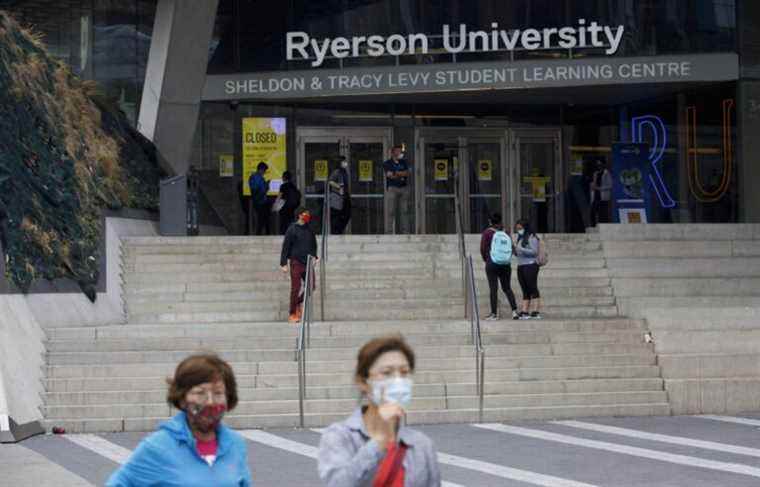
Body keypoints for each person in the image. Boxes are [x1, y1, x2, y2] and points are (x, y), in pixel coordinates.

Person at [106, 354, 252, 486]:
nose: (210, 402)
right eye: (200, 393)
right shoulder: (158, 447)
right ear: (182, 399)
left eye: (218, 393)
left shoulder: (235, 445)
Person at [318, 335, 441, 487]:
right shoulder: (340, 436)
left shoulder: (421, 445)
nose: (398, 381)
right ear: (363, 382)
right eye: (387, 373)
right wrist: (380, 441)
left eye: (404, 372)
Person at [280, 207, 318, 323]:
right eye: (305, 214)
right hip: (296, 262)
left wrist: (315, 256)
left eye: (308, 214)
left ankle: (297, 303)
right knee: (295, 288)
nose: (307, 216)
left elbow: (313, 244)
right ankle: (292, 313)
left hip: (308, 262)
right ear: (300, 215)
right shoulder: (292, 229)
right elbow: (286, 246)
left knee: (311, 286)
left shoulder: (309, 229)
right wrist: (283, 263)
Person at [480, 213, 519, 321]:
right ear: (500, 221)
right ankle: (515, 311)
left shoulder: (487, 233)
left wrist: (486, 259)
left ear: (490, 222)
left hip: (492, 263)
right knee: (507, 288)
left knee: (493, 289)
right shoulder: (505, 232)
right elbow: (512, 248)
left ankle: (494, 314)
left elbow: (483, 248)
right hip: (505, 264)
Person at [513, 219, 542, 320]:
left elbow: (534, 252)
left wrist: (520, 249)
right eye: (517, 229)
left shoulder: (532, 237)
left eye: (520, 228)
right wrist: (515, 250)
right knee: (524, 288)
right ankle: (525, 311)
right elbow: (519, 253)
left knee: (532, 287)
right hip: (521, 265)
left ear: (525, 228)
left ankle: (536, 311)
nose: (518, 230)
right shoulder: (520, 238)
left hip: (531, 265)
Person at [383, 145, 410, 234]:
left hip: (404, 188)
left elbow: (407, 173)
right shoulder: (387, 163)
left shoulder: (404, 162)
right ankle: (389, 232)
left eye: (400, 151)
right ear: (393, 152)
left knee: (404, 211)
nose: (400, 153)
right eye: (398, 151)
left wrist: (396, 173)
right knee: (391, 211)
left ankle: (405, 232)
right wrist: (400, 173)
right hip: (392, 188)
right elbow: (389, 175)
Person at [329, 157, 351, 235]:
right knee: (336, 215)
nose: (345, 163)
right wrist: (338, 186)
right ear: (340, 162)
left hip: (344, 196)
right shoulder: (337, 172)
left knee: (347, 214)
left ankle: (339, 230)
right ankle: (335, 232)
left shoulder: (345, 172)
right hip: (337, 196)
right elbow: (330, 181)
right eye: (344, 161)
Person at [249, 161, 270, 235]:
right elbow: (258, 190)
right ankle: (259, 235)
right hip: (259, 202)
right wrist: (266, 186)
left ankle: (262, 234)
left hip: (260, 201)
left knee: (263, 220)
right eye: (264, 170)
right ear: (261, 169)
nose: (264, 172)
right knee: (261, 220)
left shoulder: (256, 177)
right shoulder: (256, 177)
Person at [278, 170, 302, 235]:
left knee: (283, 225)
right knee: (291, 223)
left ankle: (283, 237)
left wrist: (276, 207)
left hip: (284, 208)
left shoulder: (283, 186)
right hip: (292, 208)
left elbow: (280, 198)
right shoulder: (293, 186)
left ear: (284, 178)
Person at [590, 160, 613, 226]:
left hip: (603, 197)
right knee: (593, 211)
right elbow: (594, 183)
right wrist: (592, 186)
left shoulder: (607, 173)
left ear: (603, 165)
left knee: (603, 213)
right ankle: (594, 225)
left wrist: (600, 188)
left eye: (600, 165)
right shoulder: (595, 173)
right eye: (597, 165)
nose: (598, 166)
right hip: (595, 196)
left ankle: (603, 226)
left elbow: (610, 185)